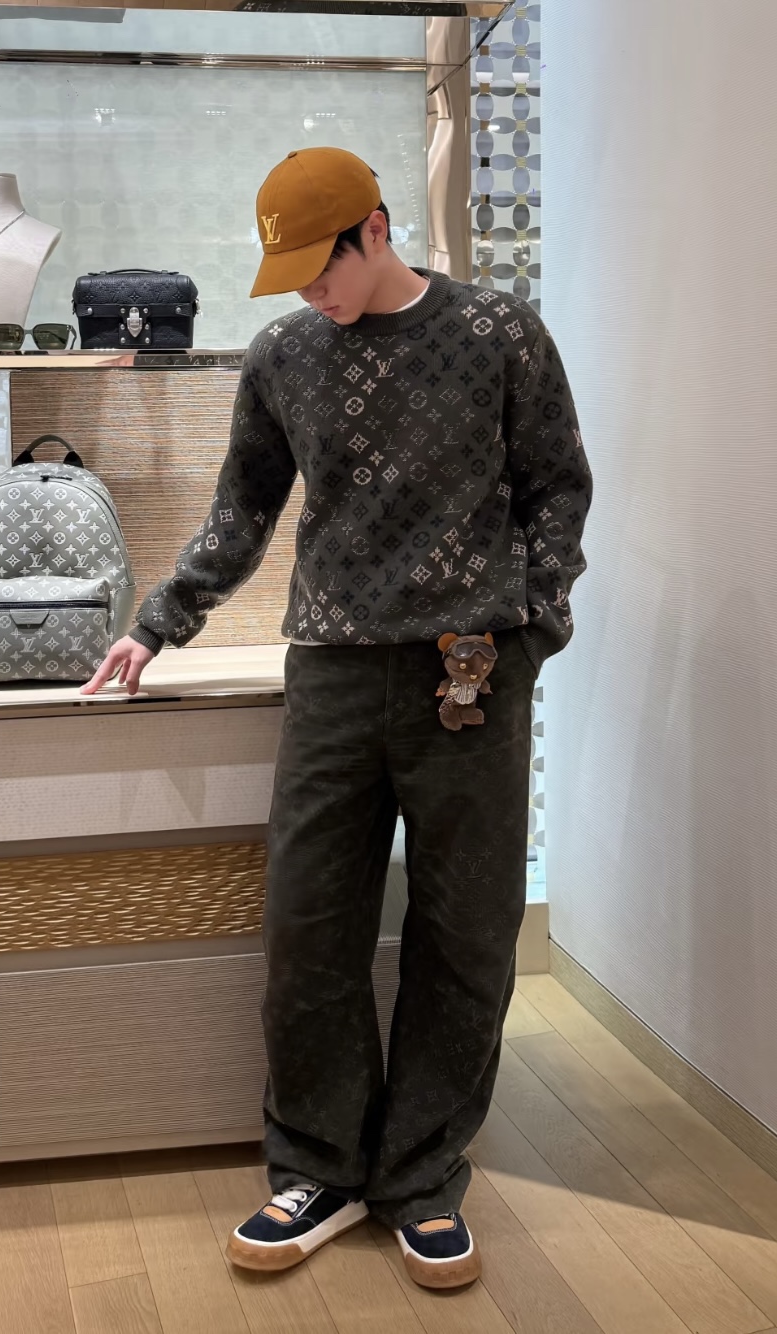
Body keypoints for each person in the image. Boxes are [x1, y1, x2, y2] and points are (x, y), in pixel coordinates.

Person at [83, 146, 591, 1289]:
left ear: (375, 228)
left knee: (465, 935)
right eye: (293, 276)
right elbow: (242, 509)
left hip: (470, 676)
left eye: (323, 266)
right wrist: (158, 621)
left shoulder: (498, 333)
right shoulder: (283, 355)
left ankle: (419, 1175)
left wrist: (532, 627)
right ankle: (318, 1166)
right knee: (308, 927)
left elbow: (557, 484)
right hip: (330, 676)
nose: (311, 292)